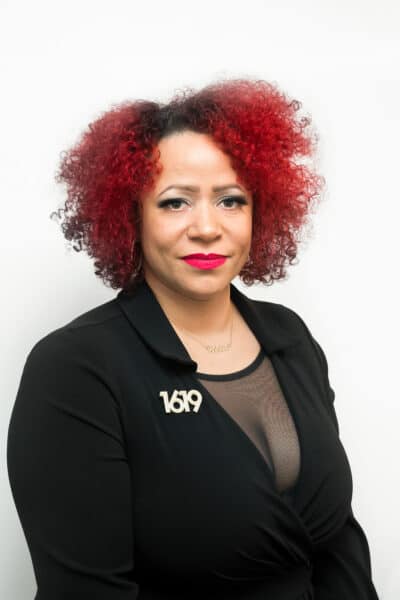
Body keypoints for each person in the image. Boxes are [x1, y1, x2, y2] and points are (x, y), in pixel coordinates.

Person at [7, 78, 379, 599]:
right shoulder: (76, 368)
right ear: (130, 216)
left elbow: (338, 542)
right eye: (175, 203)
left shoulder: (290, 337)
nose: (206, 227)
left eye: (231, 200)